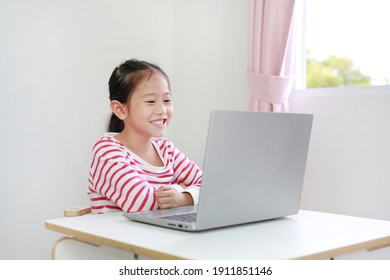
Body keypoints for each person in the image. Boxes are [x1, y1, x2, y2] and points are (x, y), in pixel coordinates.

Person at [88, 59, 202, 214]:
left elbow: (211, 186)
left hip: (155, 236)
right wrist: (180, 188)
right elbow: (142, 204)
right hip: (116, 237)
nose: (162, 110)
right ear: (120, 110)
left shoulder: (165, 149)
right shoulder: (106, 151)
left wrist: (183, 198)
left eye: (167, 100)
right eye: (150, 101)